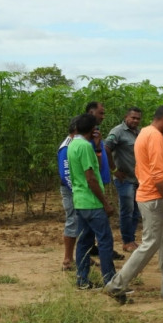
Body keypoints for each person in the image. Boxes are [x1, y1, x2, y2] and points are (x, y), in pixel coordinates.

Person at [104, 105, 163, 304]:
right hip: (155, 199)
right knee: (150, 244)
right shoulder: (155, 137)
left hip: (155, 197)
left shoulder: (144, 134)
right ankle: (116, 286)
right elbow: (158, 175)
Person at [67, 113, 117, 289]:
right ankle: (110, 280)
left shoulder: (73, 145)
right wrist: (105, 202)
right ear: (93, 129)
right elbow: (91, 178)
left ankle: (82, 279)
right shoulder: (84, 147)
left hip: (80, 201)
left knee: (84, 242)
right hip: (92, 202)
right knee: (105, 241)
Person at [85, 101, 123, 261]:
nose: (103, 116)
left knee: (94, 224)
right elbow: (89, 168)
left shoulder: (95, 132)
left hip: (99, 181)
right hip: (91, 187)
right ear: (91, 113)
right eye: (101, 113)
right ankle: (100, 256)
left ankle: (94, 249)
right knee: (98, 223)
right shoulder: (83, 139)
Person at [105, 107, 142, 254]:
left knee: (136, 211)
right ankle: (127, 241)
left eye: (138, 118)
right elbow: (106, 148)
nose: (135, 121)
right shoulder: (118, 131)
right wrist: (114, 170)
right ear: (126, 117)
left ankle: (131, 239)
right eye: (133, 118)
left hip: (138, 178)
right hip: (124, 179)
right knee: (127, 210)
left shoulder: (139, 133)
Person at [57, 116, 79, 271]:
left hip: (76, 189)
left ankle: (78, 257)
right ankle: (67, 260)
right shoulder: (66, 146)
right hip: (71, 190)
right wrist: (76, 191)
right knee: (73, 220)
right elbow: (65, 174)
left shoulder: (74, 144)